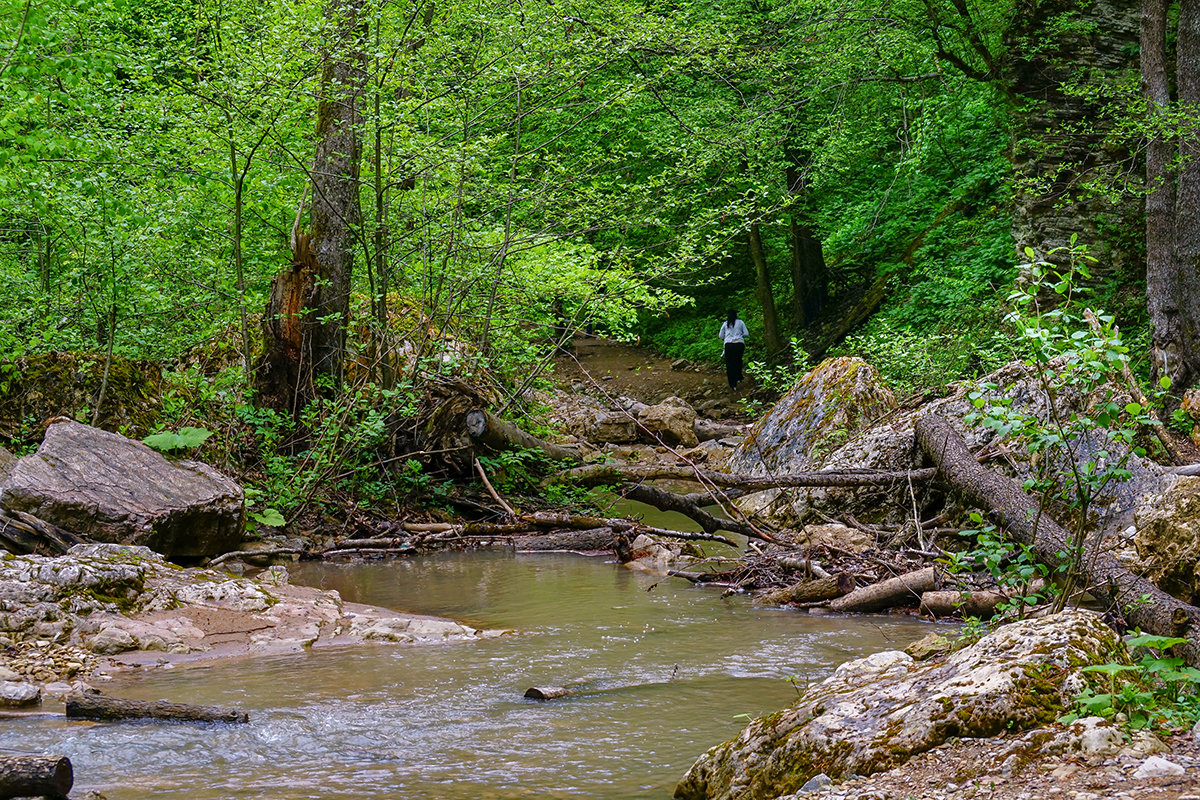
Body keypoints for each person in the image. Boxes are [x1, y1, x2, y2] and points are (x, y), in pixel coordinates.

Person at [718, 309, 748, 390]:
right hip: (739, 344)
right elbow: (746, 333)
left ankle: (732, 384)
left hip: (729, 345)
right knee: (738, 361)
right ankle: (739, 376)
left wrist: (728, 337)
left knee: (730, 364)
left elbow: (720, 336)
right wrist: (739, 335)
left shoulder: (725, 324)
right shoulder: (740, 322)